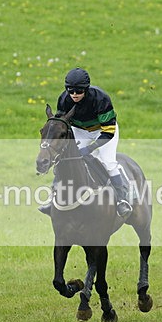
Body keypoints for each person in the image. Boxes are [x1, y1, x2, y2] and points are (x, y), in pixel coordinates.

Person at [39, 67, 132, 217]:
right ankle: (52, 198)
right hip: (80, 130)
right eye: (71, 91)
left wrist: (90, 148)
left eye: (79, 91)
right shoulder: (64, 99)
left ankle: (122, 199)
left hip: (104, 130)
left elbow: (108, 131)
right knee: (63, 158)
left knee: (108, 162)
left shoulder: (101, 99)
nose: (74, 95)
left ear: (86, 89)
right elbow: (62, 123)